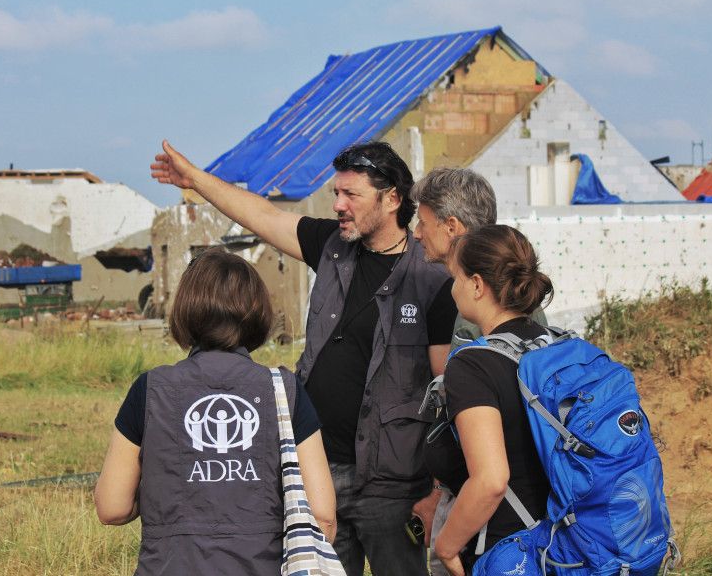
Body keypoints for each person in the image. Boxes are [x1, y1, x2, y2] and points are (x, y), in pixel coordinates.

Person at [150, 140, 458, 576]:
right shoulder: (331, 247)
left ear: (391, 199)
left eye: (351, 195)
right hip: (318, 476)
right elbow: (263, 216)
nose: (338, 205)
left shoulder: (432, 279)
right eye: (336, 193)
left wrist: (438, 492)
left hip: (394, 487)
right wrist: (195, 179)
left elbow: (447, 392)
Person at [94, 248, 336, 575]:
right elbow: (322, 517)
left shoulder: (149, 390)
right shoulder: (285, 392)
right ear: (257, 311)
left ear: (186, 309)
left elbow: (111, 507)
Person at [410, 167, 548, 575]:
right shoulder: (549, 339)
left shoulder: (474, 358)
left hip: (495, 535)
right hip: (542, 524)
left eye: (423, 221)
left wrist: (447, 545)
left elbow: (489, 477)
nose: (417, 232)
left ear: (474, 285)